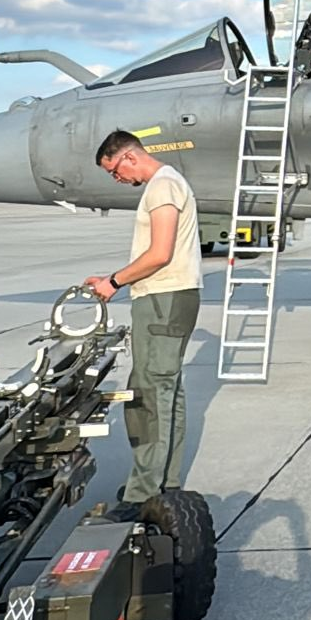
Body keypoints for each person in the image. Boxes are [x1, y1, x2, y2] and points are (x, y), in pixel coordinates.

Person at [84, 129, 202, 521]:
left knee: (149, 395)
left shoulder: (162, 186)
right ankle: (164, 483)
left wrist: (113, 282)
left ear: (130, 157)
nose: (118, 180)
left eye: (115, 171)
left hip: (163, 300)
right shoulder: (169, 182)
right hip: (169, 298)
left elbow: (160, 253)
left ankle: (142, 494)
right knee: (167, 391)